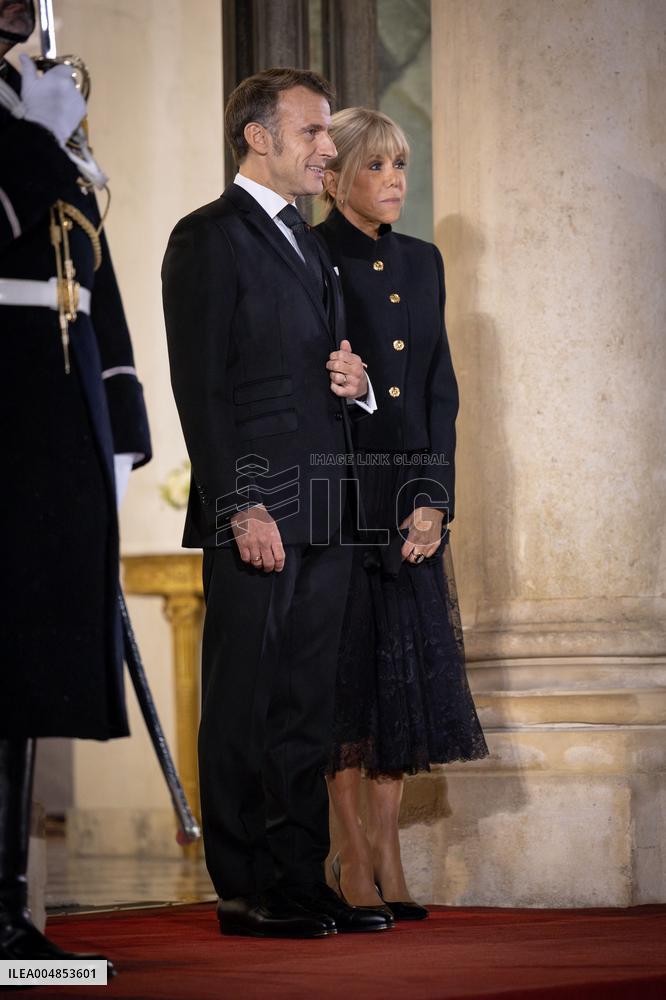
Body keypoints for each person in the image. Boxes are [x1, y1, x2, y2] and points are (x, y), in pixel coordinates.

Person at [162, 68, 394, 939]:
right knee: (244, 699)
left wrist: (358, 384)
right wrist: (240, 507)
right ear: (259, 137)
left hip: (328, 504)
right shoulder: (205, 239)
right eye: (311, 132)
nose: (328, 148)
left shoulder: (312, 244)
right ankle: (243, 886)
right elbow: (202, 392)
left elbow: (323, 373)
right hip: (259, 510)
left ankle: (299, 878)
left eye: (325, 132)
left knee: (307, 704)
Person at [0, 0, 151, 971]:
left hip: (52, 424)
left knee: (22, 678)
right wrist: (32, 143)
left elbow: (93, 289)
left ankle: (7, 909)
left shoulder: (38, 117)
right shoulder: (29, 132)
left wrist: (122, 426)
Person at [315, 107, 489, 920]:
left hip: (408, 498)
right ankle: (348, 849)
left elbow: (438, 392)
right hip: (344, 493)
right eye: (377, 166)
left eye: (401, 167)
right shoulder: (313, 256)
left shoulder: (423, 262)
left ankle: (387, 848)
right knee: (348, 681)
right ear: (336, 173)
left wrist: (433, 502)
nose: (393, 182)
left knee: (401, 686)